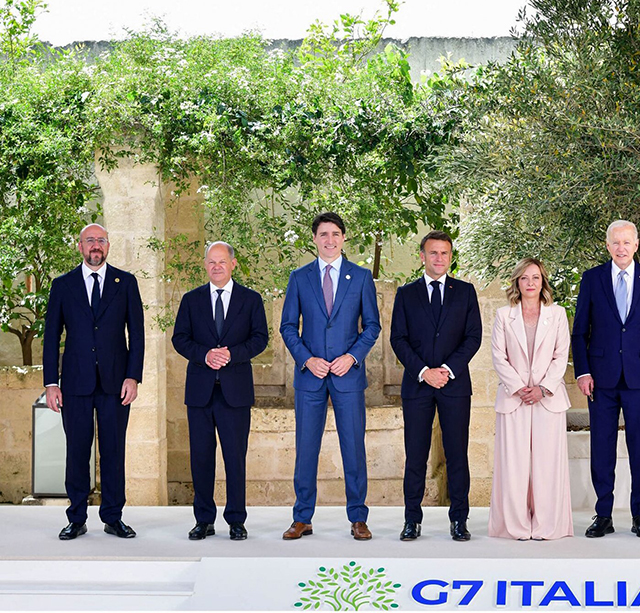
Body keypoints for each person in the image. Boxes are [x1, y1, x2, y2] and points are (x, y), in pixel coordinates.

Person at [279, 212, 381, 541]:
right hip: (310, 378)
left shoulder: (361, 277)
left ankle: (358, 518)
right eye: (324, 234)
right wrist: (307, 360)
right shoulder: (299, 277)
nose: (330, 239)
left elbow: (373, 326)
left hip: (347, 377)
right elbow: (287, 326)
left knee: (353, 447)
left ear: (343, 238)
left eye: (336, 233)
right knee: (306, 448)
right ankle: (302, 517)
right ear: (315, 239)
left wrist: (351, 357)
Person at [43, 223, 145, 540]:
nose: (95, 246)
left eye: (101, 240)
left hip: (116, 384)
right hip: (75, 383)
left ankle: (113, 517)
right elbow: (51, 338)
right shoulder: (63, 286)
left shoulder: (125, 283)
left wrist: (133, 376)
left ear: (108, 246)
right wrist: (50, 383)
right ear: (80, 246)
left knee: (114, 451)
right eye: (90, 241)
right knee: (77, 451)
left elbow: (137, 335)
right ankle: (76, 517)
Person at [571, 220, 640, 539]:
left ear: (636, 245)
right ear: (607, 245)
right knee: (602, 448)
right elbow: (579, 332)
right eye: (616, 242)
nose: (621, 248)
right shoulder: (591, 279)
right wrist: (583, 371)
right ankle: (603, 514)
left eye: (627, 242)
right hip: (600, 380)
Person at [171, 241, 269, 541]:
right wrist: (204, 355)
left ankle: (236, 520)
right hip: (200, 392)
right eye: (211, 262)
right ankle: (204, 520)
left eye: (222, 262)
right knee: (201, 457)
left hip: (235, 392)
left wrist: (231, 354)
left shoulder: (250, 300)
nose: (216, 266)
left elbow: (260, 339)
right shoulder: (191, 300)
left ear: (233, 264)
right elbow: (180, 339)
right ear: (205, 265)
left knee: (235, 458)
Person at [389, 231, 482, 541]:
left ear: (450, 256)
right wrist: (423, 371)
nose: (439, 258)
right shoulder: (406, 294)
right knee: (415, 455)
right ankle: (412, 520)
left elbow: (473, 337)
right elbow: (398, 339)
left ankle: (459, 520)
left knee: (457, 454)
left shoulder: (466, 292)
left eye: (444, 253)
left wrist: (446, 369)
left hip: (454, 384)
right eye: (433, 253)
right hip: (417, 385)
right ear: (422, 257)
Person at [488, 258, 574, 540]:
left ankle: (548, 525)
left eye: (535, 278)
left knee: (547, 465)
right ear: (517, 282)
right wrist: (519, 386)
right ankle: (515, 526)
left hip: (548, 399)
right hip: (514, 399)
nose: (530, 283)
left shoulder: (558, 314)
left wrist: (543, 388)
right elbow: (498, 356)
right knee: (513, 465)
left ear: (543, 282)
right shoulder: (503, 315)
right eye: (524, 278)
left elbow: (562, 355)